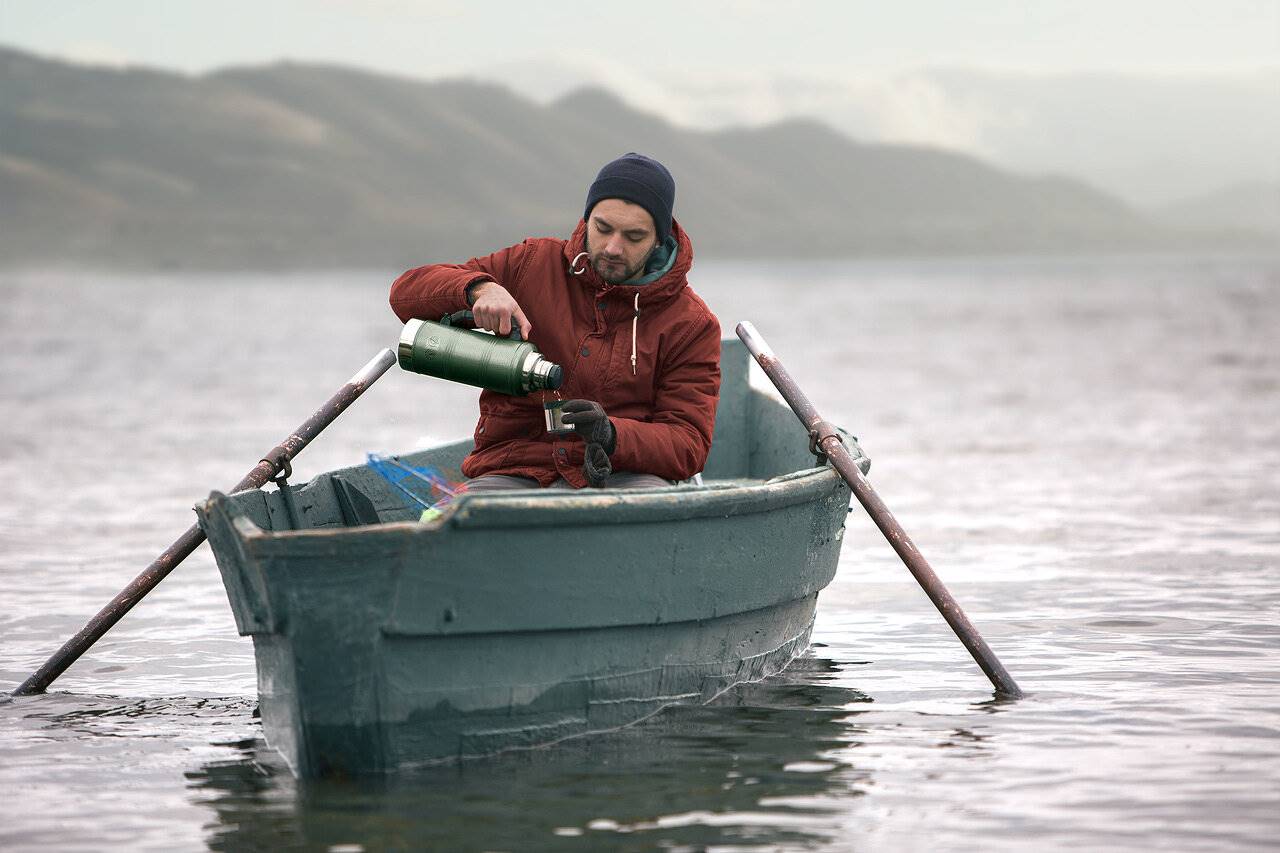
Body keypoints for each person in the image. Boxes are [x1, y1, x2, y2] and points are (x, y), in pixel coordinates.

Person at [389, 153, 721, 490]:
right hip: (515, 467)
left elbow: (689, 444)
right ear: (586, 219)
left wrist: (611, 434)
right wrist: (478, 289)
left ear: (659, 240)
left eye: (634, 237)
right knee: (464, 514)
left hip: (624, 473)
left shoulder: (691, 324)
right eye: (603, 228)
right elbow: (404, 294)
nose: (613, 247)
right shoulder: (531, 264)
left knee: (648, 507)